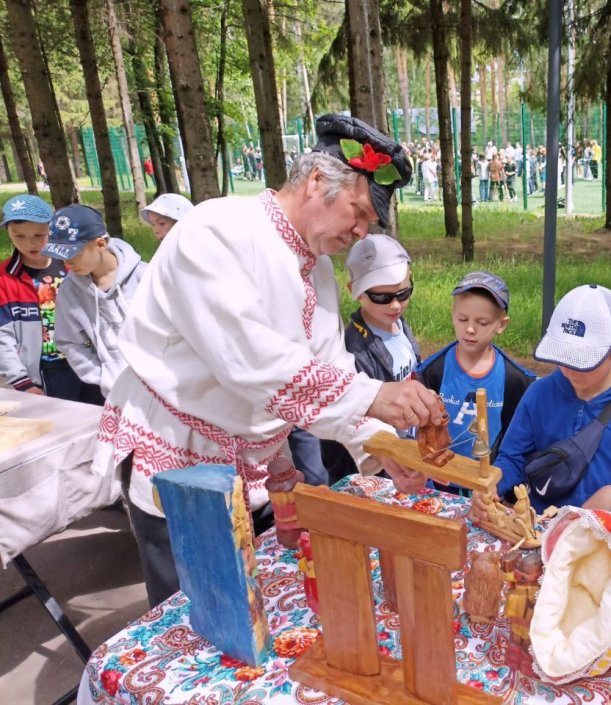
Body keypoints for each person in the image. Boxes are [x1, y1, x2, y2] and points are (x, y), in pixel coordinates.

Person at [94, 114, 444, 606]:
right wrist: (377, 394)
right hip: (181, 459)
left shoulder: (316, 267)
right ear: (318, 181)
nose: (363, 232)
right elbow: (252, 364)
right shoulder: (216, 231)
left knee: (260, 609)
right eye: (359, 212)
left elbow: (331, 367)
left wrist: (380, 445)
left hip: (252, 466)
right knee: (200, 614)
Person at [469, 284, 611, 520]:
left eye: (584, 361)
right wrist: (493, 483)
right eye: (563, 358)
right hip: (543, 526)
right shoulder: (539, 394)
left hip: (606, 534)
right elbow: (513, 458)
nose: (570, 371)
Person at [321, 234, 422, 484]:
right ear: (354, 292)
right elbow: (350, 419)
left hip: (404, 447)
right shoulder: (350, 351)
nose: (395, 305)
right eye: (382, 298)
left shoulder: (399, 326)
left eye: (403, 293)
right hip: (373, 466)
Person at [418, 271, 535, 465]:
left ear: (501, 324)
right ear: (452, 315)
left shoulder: (516, 380)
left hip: (485, 484)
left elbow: (516, 441)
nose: (470, 329)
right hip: (438, 478)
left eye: (482, 323)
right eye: (463, 319)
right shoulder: (431, 371)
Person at [45, 205, 147, 403]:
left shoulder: (146, 276)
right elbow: (68, 341)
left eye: (73, 254)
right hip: (116, 395)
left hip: (162, 390)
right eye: (61, 255)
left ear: (100, 244)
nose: (67, 263)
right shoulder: (69, 291)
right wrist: (102, 376)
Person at [0, 195, 89, 401]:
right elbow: (2, 338)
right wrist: (21, 380)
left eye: (39, 235)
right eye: (19, 236)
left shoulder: (75, 266)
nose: (30, 243)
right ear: (8, 233)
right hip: (47, 373)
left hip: (89, 362)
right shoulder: (4, 279)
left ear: (52, 229)